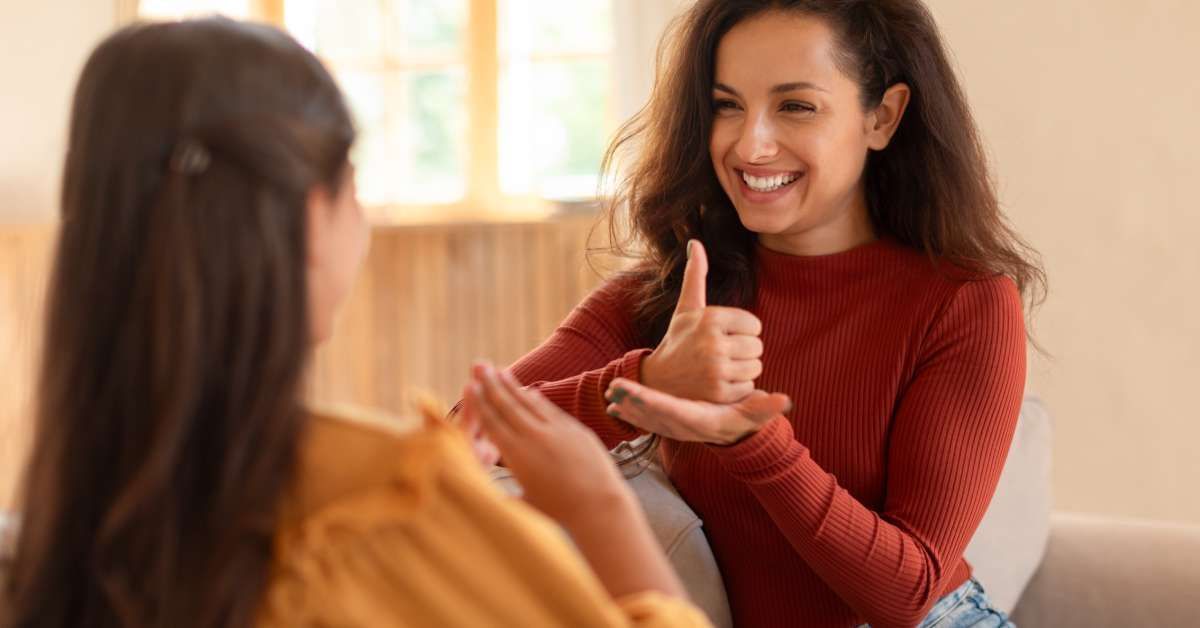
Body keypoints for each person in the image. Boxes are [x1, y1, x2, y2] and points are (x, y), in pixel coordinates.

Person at [0, 18, 710, 628]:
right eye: (355, 186)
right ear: (313, 220)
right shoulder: (391, 506)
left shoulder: (65, 534)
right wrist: (598, 506)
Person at [500, 1, 1045, 626]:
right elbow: (463, 439)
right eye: (727, 105)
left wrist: (753, 440)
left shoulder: (964, 303)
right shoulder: (672, 295)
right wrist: (645, 382)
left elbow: (906, 594)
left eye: (795, 106)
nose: (749, 144)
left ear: (883, 117)